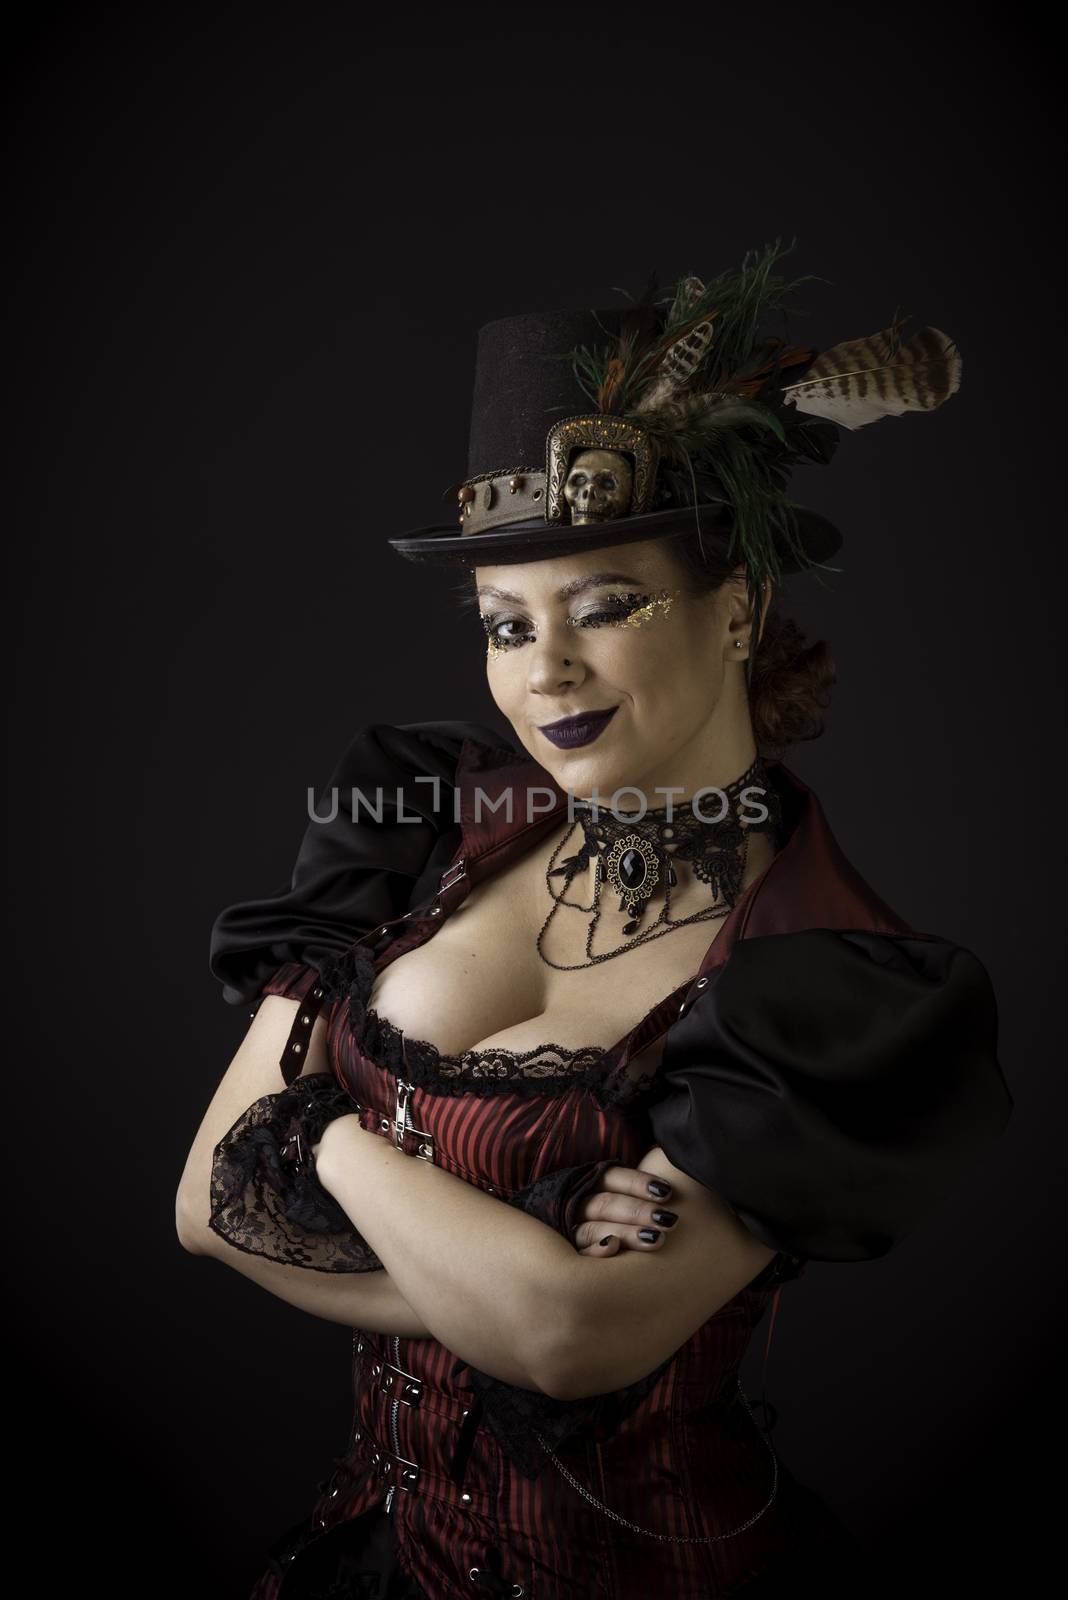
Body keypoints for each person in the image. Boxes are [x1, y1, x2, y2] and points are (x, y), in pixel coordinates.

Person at [176, 243, 1013, 1599]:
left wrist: (308, 1129)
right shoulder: (416, 821)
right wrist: (511, 1273)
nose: (545, 669)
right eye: (507, 625)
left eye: (606, 606)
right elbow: (204, 1213)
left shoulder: (823, 971)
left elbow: (570, 1346)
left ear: (735, 611)